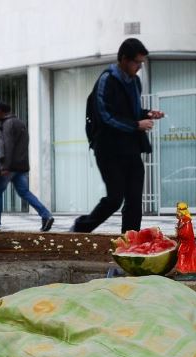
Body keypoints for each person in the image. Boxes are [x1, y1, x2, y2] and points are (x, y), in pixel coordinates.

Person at [71, 38, 164, 233]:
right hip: (108, 150)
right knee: (115, 198)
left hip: (131, 149)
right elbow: (105, 115)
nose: (139, 67)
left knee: (134, 199)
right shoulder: (107, 79)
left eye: (141, 63)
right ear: (123, 59)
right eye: (136, 62)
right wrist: (136, 124)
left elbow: (131, 112)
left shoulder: (135, 82)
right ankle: (80, 228)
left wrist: (146, 113)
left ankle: (131, 242)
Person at [0, 102, 53, 232]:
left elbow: (6, 146)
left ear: (1, 111)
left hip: (9, 167)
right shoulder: (20, 123)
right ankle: (46, 215)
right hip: (21, 166)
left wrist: (4, 166)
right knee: (24, 192)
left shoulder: (6, 124)